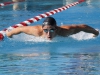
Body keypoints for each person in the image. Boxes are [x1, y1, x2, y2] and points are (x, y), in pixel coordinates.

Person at [6, 17, 99, 40]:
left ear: (56, 28)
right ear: (42, 29)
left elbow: (83, 27)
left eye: (51, 30)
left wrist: (95, 33)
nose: (48, 34)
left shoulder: (64, 31)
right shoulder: (37, 31)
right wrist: (8, 34)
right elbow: (20, 29)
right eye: (45, 30)